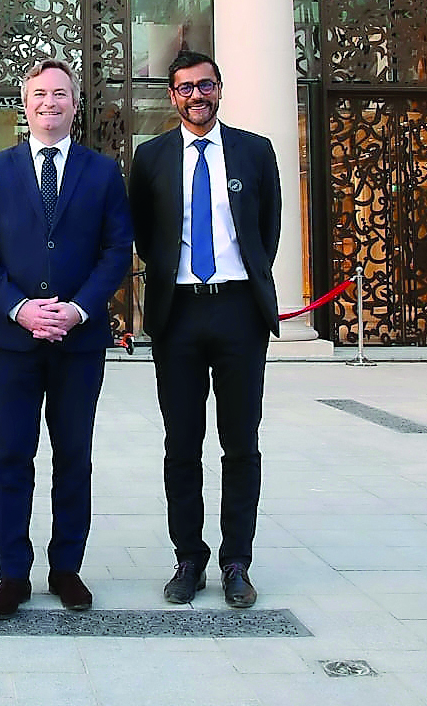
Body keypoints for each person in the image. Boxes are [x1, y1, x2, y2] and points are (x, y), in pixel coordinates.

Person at [0, 58, 133, 620]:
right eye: (39, 93)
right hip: (12, 341)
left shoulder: (103, 171)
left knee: (73, 457)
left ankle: (66, 569)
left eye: (61, 94)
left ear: (75, 104)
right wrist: (19, 307)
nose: (49, 103)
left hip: (78, 342)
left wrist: (80, 310)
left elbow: (116, 251)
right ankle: (12, 573)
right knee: (11, 456)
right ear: (24, 101)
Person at [127, 49, 280, 609]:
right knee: (182, 443)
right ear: (172, 97)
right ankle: (188, 556)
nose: (197, 95)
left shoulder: (255, 152)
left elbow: (268, 229)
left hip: (240, 311)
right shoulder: (150, 158)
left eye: (206, 85)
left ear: (220, 89)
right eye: (186, 87)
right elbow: (144, 232)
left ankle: (237, 559)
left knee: (241, 442)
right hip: (179, 315)